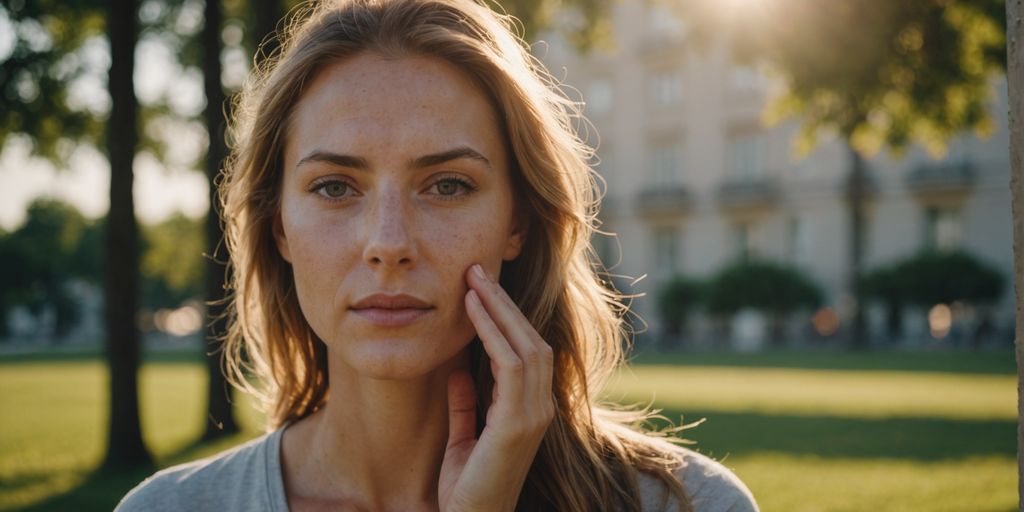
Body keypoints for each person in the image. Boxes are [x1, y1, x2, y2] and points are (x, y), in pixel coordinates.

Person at [117, 0, 758, 510]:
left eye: (448, 185)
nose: (389, 244)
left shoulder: (686, 503)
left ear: (519, 222)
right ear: (278, 226)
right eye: (335, 187)